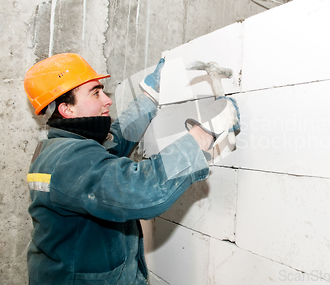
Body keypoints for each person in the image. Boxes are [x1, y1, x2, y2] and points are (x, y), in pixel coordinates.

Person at [23, 53, 239, 284]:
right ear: (67, 109)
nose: (107, 100)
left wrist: (149, 97)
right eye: (95, 93)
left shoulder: (64, 147)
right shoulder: (69, 160)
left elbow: (116, 140)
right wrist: (204, 135)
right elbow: (141, 190)